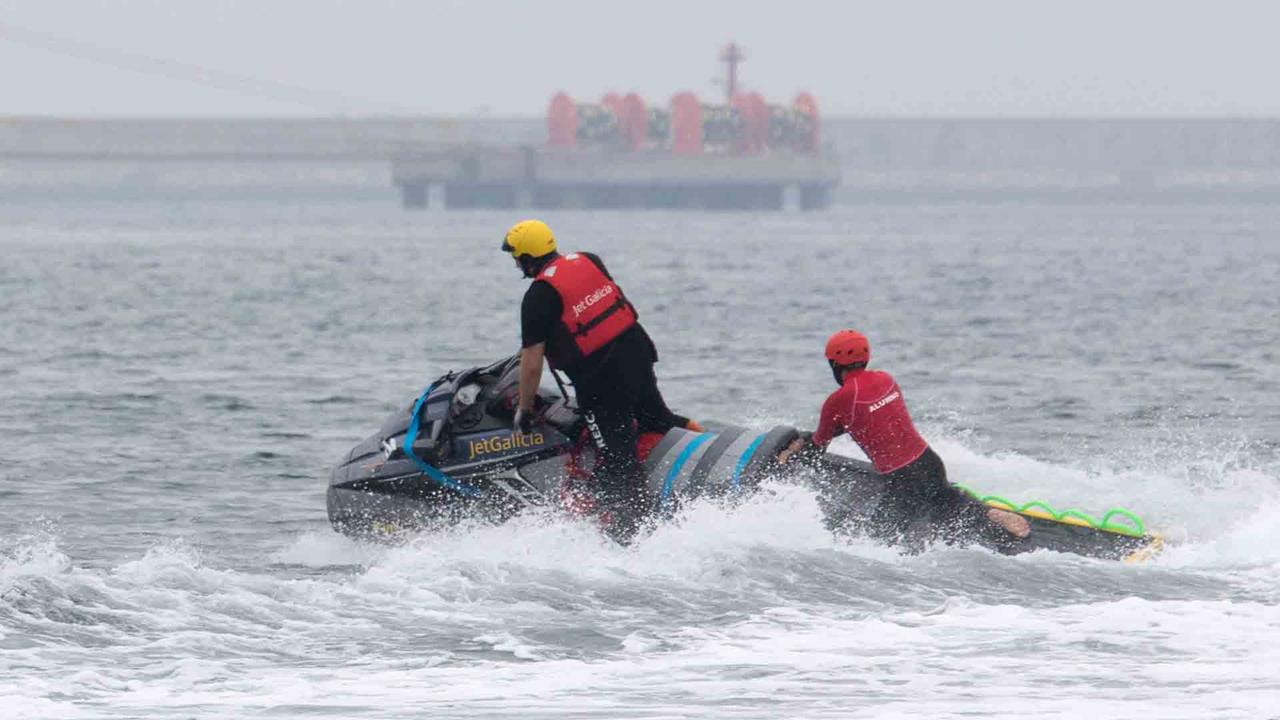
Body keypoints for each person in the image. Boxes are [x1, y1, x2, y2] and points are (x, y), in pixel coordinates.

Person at [500, 219, 701, 540]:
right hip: (637, 352)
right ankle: (700, 436)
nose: (515, 263)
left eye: (515, 257)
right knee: (655, 418)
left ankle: (630, 532)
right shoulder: (588, 259)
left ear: (525, 257)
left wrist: (524, 409)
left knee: (616, 457)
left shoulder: (538, 295)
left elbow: (532, 362)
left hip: (602, 380)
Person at [780, 329, 1030, 550]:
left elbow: (819, 444)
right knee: (947, 507)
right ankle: (988, 514)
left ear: (834, 363)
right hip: (929, 462)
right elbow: (868, 419)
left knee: (875, 544)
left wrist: (790, 454)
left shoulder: (839, 399)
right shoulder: (886, 379)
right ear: (864, 359)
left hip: (903, 479)